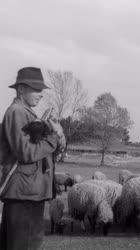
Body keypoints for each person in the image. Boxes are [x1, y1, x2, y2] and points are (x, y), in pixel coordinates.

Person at [0, 67, 65, 250]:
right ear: (21, 89)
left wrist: (55, 134)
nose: (41, 94)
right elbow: (26, 152)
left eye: (42, 89)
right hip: (25, 194)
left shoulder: (27, 113)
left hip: (28, 192)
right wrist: (53, 137)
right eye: (36, 89)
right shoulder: (17, 111)